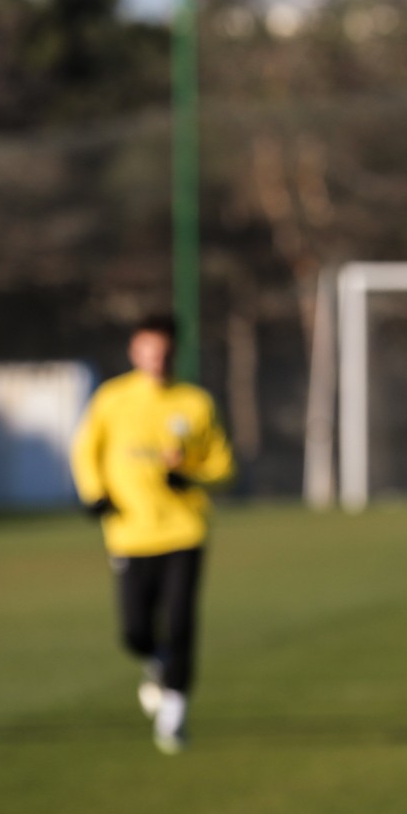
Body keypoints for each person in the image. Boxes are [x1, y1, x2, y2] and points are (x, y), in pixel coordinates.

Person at [70, 313, 235, 754]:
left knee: (181, 623)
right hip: (129, 534)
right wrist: (94, 494)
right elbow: (85, 449)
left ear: (174, 355)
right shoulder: (112, 399)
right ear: (134, 352)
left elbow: (222, 465)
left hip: (184, 531)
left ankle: (174, 714)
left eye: (163, 353)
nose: (156, 360)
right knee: (135, 632)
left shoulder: (195, 403)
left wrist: (192, 475)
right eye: (148, 352)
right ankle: (158, 667)